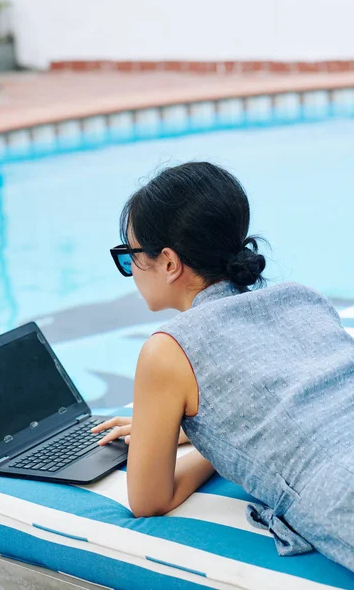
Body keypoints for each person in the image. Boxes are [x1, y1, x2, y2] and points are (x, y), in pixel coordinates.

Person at [91, 162, 354, 571]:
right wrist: (203, 431)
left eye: (130, 256)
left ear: (169, 262)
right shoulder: (302, 298)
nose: (130, 271)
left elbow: (149, 501)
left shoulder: (167, 350)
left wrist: (218, 447)